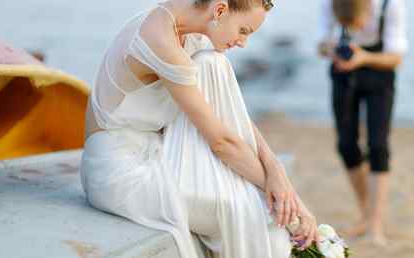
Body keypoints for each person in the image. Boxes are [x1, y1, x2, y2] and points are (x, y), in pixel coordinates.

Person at [79, 1, 318, 258]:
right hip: (119, 168)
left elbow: (232, 117)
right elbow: (222, 142)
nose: (243, 43)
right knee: (260, 214)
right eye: (244, 30)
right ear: (219, 10)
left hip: (157, 149)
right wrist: (286, 199)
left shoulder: (191, 32)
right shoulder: (159, 38)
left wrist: (275, 171)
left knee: (212, 62)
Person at [317, 0, 407, 245]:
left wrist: (364, 57)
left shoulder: (391, 5)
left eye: (357, 24)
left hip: (380, 71)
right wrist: (330, 49)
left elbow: (396, 57)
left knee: (378, 146)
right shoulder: (329, 3)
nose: (354, 30)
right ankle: (367, 215)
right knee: (346, 146)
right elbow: (321, 46)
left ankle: (375, 224)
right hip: (343, 72)